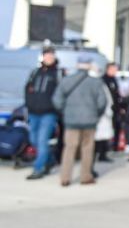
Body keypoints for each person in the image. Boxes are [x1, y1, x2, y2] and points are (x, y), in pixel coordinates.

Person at [53, 54, 107, 186]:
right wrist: (96, 114)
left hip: (71, 120)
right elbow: (102, 102)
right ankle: (85, 176)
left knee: (69, 148)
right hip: (90, 120)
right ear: (89, 65)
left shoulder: (66, 80)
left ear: (77, 65)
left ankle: (65, 178)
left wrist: (65, 112)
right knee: (87, 148)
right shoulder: (95, 82)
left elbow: (57, 100)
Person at [23, 46, 60, 180]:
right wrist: (29, 104)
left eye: (51, 55)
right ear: (43, 57)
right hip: (34, 112)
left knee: (42, 140)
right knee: (33, 139)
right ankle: (49, 160)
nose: (48, 58)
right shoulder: (35, 72)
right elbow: (27, 89)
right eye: (46, 55)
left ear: (54, 57)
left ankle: (38, 168)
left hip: (49, 113)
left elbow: (61, 93)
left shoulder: (58, 74)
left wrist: (56, 107)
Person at [102, 62, 123, 154]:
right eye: (113, 69)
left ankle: (115, 147)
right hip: (106, 109)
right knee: (105, 129)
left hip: (116, 108)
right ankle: (104, 150)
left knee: (117, 127)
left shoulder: (115, 80)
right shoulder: (103, 80)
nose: (115, 71)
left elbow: (117, 94)